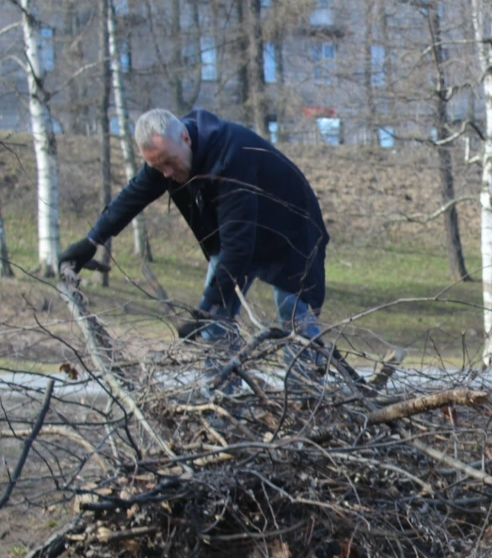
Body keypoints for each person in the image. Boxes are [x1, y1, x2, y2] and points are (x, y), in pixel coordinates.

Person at [60, 108, 329, 387]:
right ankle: (225, 407)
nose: (165, 172)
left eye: (168, 163)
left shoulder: (229, 156)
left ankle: (307, 403)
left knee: (294, 321)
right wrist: (92, 241)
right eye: (157, 167)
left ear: (186, 138)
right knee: (215, 325)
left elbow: (238, 248)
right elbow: (132, 197)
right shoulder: (166, 158)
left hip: (293, 233)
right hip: (236, 232)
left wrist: (205, 309)